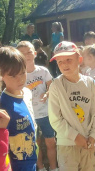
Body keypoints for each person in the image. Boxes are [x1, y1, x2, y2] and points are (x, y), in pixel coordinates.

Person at [48, 41, 95, 171]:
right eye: (60, 62)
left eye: (68, 59)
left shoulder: (89, 83)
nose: (64, 64)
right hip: (67, 143)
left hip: (88, 141)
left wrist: (94, 135)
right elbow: (55, 119)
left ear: (79, 59)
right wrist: (75, 137)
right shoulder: (56, 86)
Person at [0, 47, 38, 171]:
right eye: (13, 76)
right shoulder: (2, 105)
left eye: (23, 72)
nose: (21, 79)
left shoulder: (27, 93)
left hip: (31, 163)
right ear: (0, 76)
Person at [17, 41, 58, 171]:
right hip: (30, 116)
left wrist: (47, 94)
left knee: (51, 142)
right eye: (22, 53)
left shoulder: (43, 71)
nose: (27, 55)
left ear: (35, 53)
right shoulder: (18, 75)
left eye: (29, 52)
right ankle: (40, 168)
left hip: (46, 113)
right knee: (36, 144)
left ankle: (54, 167)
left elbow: (51, 87)